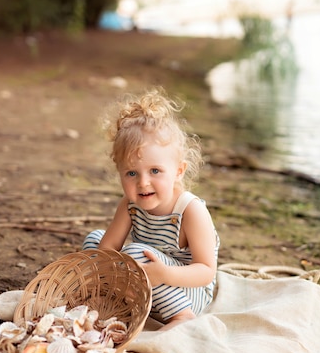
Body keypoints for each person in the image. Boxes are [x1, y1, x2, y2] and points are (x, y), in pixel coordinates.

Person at [83, 88, 219, 330]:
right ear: (120, 173)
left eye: (155, 171)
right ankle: (115, 300)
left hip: (188, 290)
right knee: (93, 240)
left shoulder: (190, 210)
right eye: (131, 173)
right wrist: (113, 272)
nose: (143, 182)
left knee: (135, 253)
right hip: (147, 278)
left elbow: (206, 272)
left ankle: (181, 318)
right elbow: (107, 248)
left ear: (178, 170)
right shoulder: (129, 206)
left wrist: (162, 274)